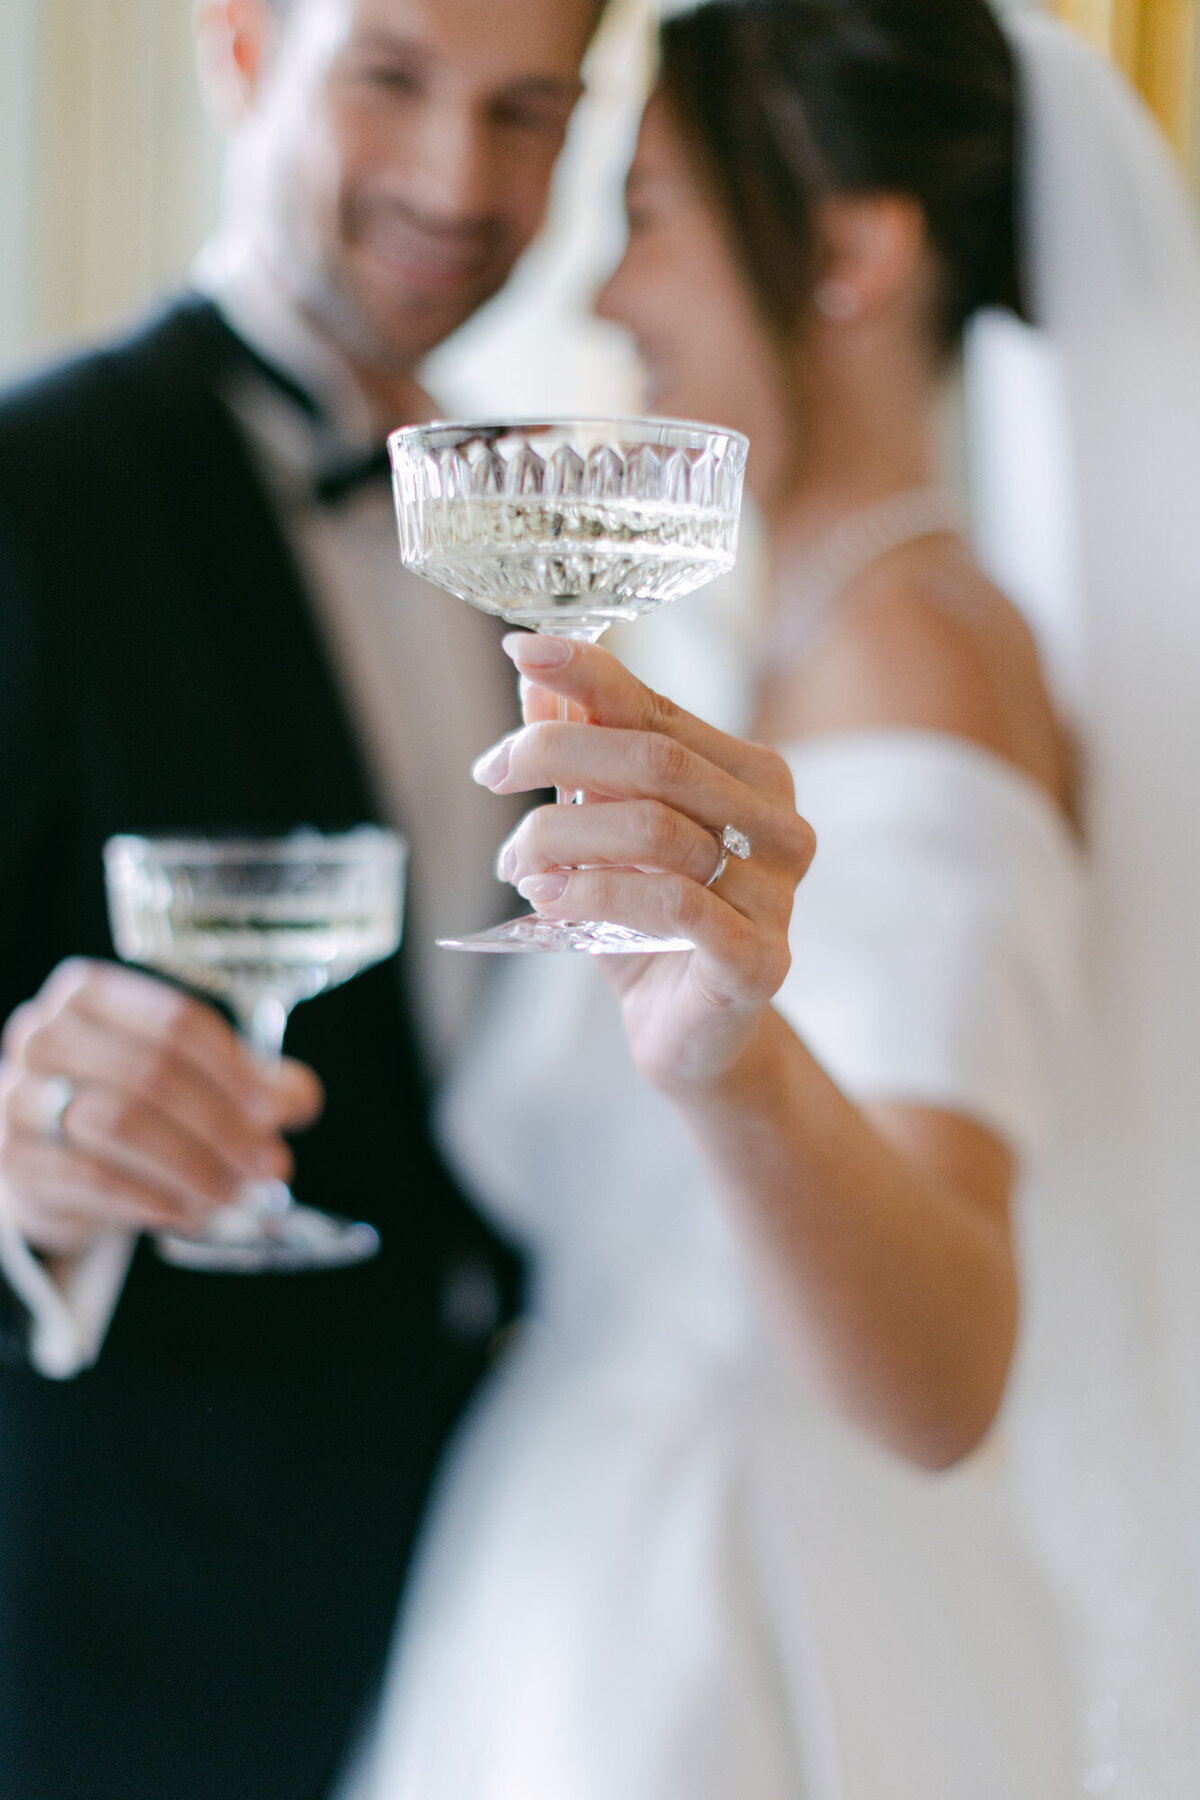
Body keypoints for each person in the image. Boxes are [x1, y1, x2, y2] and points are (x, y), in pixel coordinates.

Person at [333, 2, 1115, 1795]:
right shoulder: (801, 644)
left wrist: (730, 1062)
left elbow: (944, 1365)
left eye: (652, 211)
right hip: (566, 1565)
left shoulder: (916, 670)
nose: (606, 293)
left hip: (714, 1632)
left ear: (850, 249)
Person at [0, 2, 610, 1796]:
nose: (456, 179)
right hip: (147, 1627)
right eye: (392, 80)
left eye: (527, 112)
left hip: (500, 1591)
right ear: (246, 55)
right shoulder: (34, 490)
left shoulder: (531, 523)